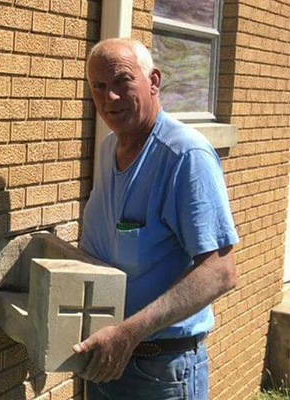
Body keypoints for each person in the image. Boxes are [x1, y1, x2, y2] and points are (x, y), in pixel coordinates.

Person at [73, 38, 239, 399]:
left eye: (122, 81)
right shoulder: (109, 148)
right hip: (104, 359)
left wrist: (128, 333)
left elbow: (220, 271)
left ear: (154, 81)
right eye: (98, 86)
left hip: (160, 373)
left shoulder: (184, 155)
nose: (109, 97)